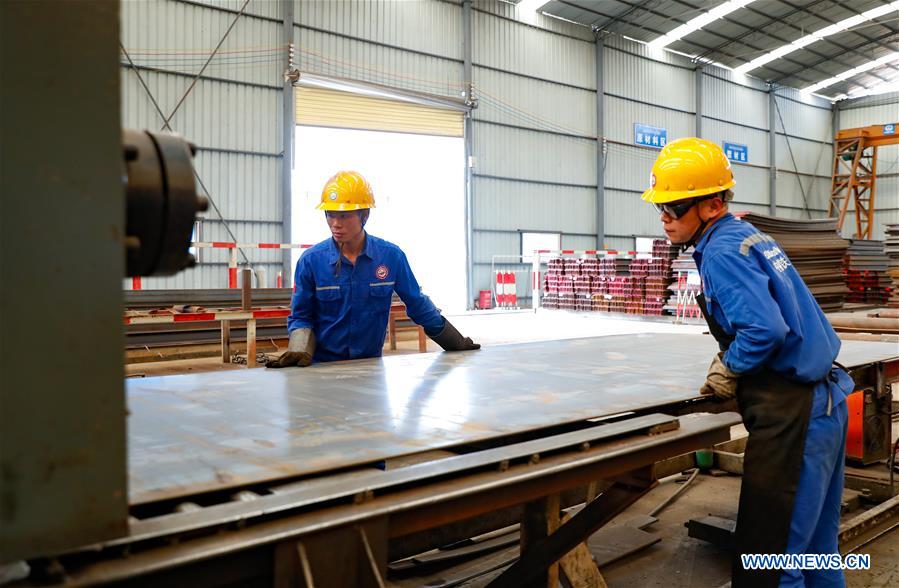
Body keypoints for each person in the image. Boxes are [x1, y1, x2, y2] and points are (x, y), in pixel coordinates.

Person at [642, 138, 852, 588]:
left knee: (773, 563)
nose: (664, 217)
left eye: (675, 207)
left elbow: (764, 330)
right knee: (817, 550)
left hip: (795, 415)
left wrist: (729, 367)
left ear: (712, 204)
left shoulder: (719, 251)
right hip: (826, 401)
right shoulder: (746, 235)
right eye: (661, 206)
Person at [267, 170, 479, 368]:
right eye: (330, 214)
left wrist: (455, 341)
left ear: (365, 215)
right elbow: (302, 315)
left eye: (344, 216)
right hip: (320, 367)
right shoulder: (311, 261)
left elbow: (417, 304)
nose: (335, 223)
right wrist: (298, 350)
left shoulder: (391, 257)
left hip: (370, 368)